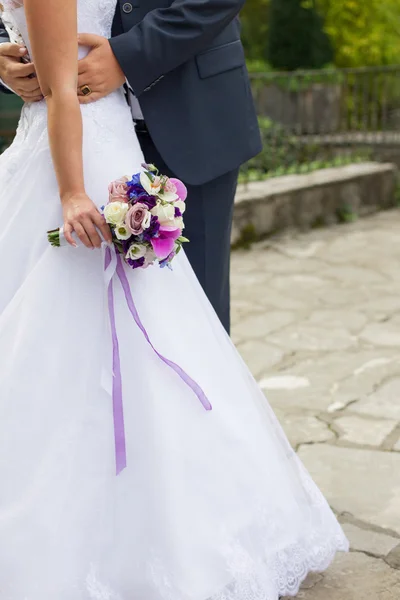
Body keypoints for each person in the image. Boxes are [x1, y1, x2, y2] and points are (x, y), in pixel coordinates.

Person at [0, 0, 348, 598]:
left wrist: (129, 56)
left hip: (188, 106)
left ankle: (200, 521)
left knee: (188, 341)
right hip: (64, 125)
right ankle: (88, 518)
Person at [0, 0, 263, 334]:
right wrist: (5, 58)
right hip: (71, 146)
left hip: (193, 117)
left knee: (197, 325)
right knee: (73, 316)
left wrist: (129, 57)